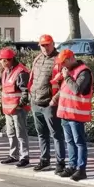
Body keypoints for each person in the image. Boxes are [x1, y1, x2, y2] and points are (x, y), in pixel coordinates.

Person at [28, 34, 66, 173]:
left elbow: (64, 83)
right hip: (36, 102)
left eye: (47, 45)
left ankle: (60, 163)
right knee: (41, 134)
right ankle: (44, 160)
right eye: (42, 45)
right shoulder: (38, 59)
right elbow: (32, 79)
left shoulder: (59, 60)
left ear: (53, 44)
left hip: (50, 104)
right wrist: (31, 95)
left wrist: (54, 99)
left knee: (56, 134)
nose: (45, 48)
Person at [56, 49, 93, 181]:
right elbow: (65, 90)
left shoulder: (84, 71)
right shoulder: (70, 71)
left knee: (79, 142)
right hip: (66, 113)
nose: (62, 66)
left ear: (71, 59)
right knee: (70, 141)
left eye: (64, 62)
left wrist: (66, 77)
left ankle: (81, 169)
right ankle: (72, 166)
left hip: (76, 113)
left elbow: (77, 90)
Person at [0, 48, 31, 166]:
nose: (0, 62)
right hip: (8, 108)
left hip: (17, 109)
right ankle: (13, 154)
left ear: (7, 60)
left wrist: (20, 105)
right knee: (11, 132)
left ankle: (24, 156)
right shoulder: (5, 71)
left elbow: (25, 91)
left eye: (1, 60)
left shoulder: (21, 72)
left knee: (21, 133)